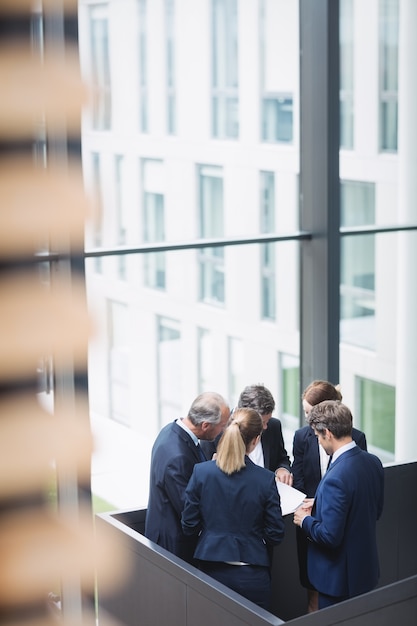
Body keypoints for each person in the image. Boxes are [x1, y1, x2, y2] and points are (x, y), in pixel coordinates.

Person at [181, 407, 285, 610]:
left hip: (209, 571)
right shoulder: (264, 480)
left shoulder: (202, 472)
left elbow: (189, 525)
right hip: (252, 575)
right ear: (255, 440)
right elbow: (275, 534)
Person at [293, 400, 384, 610]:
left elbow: (329, 536)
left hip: (338, 580)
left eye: (317, 436)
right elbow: (373, 510)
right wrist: (323, 503)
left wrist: (304, 520)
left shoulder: (337, 476)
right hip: (364, 571)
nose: (318, 441)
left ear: (328, 433)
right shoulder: (373, 462)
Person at [144, 391, 230, 564]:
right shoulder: (178, 457)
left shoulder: (171, 430)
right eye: (222, 425)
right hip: (173, 546)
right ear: (206, 425)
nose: (225, 430)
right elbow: (189, 509)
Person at [200, 383, 293, 485]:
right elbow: (206, 476)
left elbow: (282, 458)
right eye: (262, 423)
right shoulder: (215, 432)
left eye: (268, 421)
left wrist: (282, 469)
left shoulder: (274, 426)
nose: (265, 427)